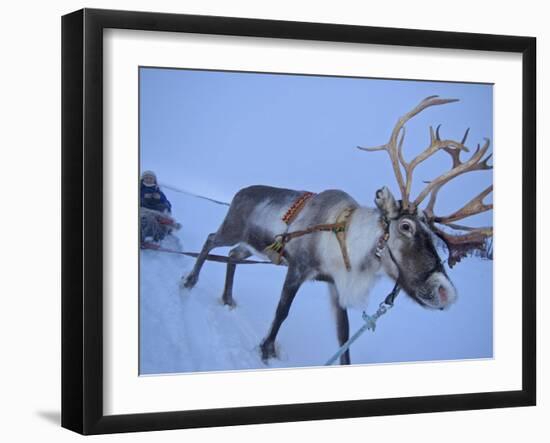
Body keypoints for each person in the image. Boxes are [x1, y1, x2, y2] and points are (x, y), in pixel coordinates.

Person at [140, 170, 176, 245]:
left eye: (151, 178)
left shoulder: (158, 190)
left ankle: (165, 228)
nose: (149, 180)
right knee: (148, 218)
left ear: (154, 180)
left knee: (161, 218)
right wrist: (143, 197)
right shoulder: (140, 188)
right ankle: (147, 238)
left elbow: (167, 203)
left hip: (154, 210)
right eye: (146, 178)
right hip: (142, 210)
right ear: (143, 179)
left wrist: (159, 198)